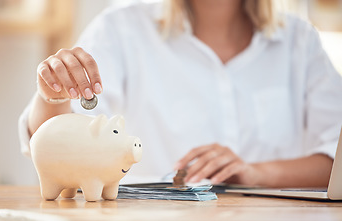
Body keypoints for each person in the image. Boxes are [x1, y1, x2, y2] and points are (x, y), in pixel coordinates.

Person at [19, 0, 342, 187]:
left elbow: (335, 158)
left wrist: (255, 173)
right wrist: (53, 97)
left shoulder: (300, 42)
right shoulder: (121, 28)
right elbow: (60, 144)